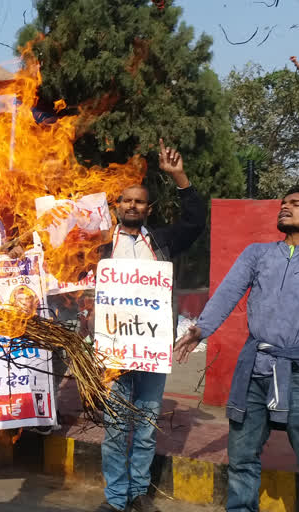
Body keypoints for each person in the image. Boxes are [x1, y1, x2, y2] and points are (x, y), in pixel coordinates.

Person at [174, 185, 299, 511]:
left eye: (296, 204)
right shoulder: (257, 254)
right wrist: (201, 329)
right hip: (255, 370)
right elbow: (228, 293)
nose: (285, 208)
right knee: (242, 457)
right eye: (283, 203)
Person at [96, 139, 206, 512]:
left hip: (151, 349)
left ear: (148, 208)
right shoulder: (98, 247)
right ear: (116, 206)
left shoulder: (160, 240)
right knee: (114, 429)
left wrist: (180, 177)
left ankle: (138, 493)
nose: (132, 205)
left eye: (139, 201)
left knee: (144, 426)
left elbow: (194, 222)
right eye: (126, 200)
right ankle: (114, 499)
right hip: (111, 350)